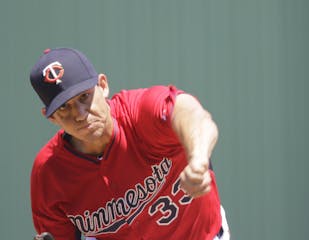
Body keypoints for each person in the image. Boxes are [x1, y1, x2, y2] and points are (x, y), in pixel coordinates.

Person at [29, 47, 230, 240]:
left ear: (103, 85)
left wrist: (198, 158)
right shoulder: (49, 173)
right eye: (64, 107)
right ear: (51, 117)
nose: (80, 114)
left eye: (84, 96)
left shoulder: (140, 114)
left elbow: (195, 116)